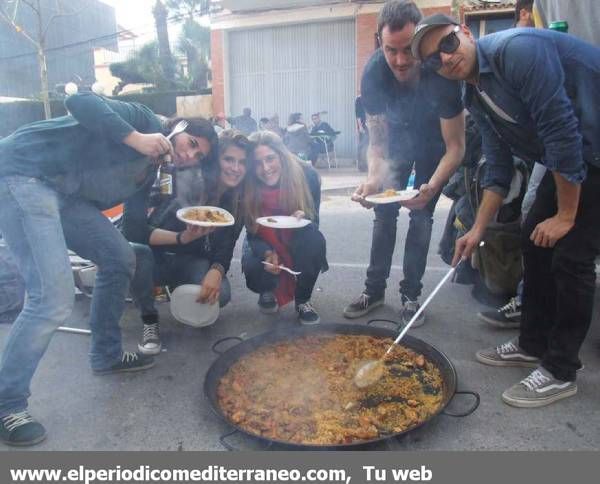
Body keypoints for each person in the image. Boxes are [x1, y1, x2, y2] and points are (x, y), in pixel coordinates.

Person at [0, 92, 211, 446]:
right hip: (24, 173)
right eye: (191, 143)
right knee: (52, 298)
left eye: (198, 154)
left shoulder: (150, 172)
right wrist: (137, 138)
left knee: (122, 256)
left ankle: (106, 354)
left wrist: (183, 235)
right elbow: (80, 100)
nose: (189, 155)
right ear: (179, 128)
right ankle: (8, 402)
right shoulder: (144, 120)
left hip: (64, 196)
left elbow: (131, 229)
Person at [412, 14, 600, 407]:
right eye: (433, 60)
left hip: (590, 146)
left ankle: (561, 370)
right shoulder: (474, 95)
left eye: (447, 44)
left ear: (464, 32)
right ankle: (532, 343)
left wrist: (566, 216)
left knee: (572, 254)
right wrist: (477, 228)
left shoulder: (517, 51)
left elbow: (561, 131)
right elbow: (497, 169)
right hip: (574, 153)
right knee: (532, 237)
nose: (445, 59)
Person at [343, 0, 465, 326]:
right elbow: (378, 142)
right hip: (397, 144)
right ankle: (374, 291)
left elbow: (456, 146)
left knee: (421, 218)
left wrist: (432, 185)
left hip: (434, 147)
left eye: (407, 50)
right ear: (380, 45)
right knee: (384, 215)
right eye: (390, 50)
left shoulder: (440, 73)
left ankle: (411, 295)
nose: (400, 60)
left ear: (420, 41)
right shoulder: (373, 74)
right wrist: (373, 179)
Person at [124, 129, 249, 354]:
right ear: (214, 160)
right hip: (156, 256)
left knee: (222, 294)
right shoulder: (184, 180)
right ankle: (149, 318)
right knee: (138, 253)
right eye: (228, 159)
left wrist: (217, 270)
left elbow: (227, 243)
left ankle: (173, 290)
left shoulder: (236, 199)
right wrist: (182, 236)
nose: (235, 168)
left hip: (191, 260)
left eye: (242, 162)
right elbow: (137, 231)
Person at [241, 131, 327, 325]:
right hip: (263, 239)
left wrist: (303, 219)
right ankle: (267, 290)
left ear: (282, 155)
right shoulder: (248, 184)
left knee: (314, 241)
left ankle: (303, 300)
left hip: (296, 237)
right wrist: (266, 254)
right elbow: (251, 234)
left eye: (270, 159)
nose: (265, 168)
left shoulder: (308, 175)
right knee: (254, 266)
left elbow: (314, 222)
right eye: (257, 163)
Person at [355, 95, 369, 172]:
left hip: (371, 125)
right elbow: (358, 115)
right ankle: (361, 165)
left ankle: (368, 164)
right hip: (363, 126)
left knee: (369, 145)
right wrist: (360, 126)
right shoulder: (359, 99)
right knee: (362, 145)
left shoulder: (371, 98)